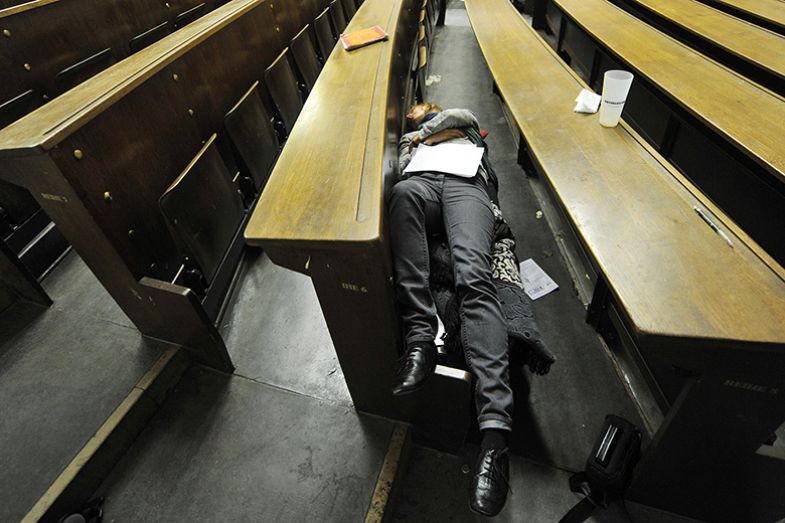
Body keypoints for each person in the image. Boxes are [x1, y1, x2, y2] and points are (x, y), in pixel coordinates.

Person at [388, 102, 513, 517]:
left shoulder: (460, 123)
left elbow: (461, 120)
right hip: (422, 184)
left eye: (419, 107)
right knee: (402, 194)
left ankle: (495, 437)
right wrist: (416, 141)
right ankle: (420, 339)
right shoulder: (413, 142)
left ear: (433, 109)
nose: (413, 111)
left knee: (473, 278)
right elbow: (404, 167)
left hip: (466, 184)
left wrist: (423, 132)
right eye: (411, 112)